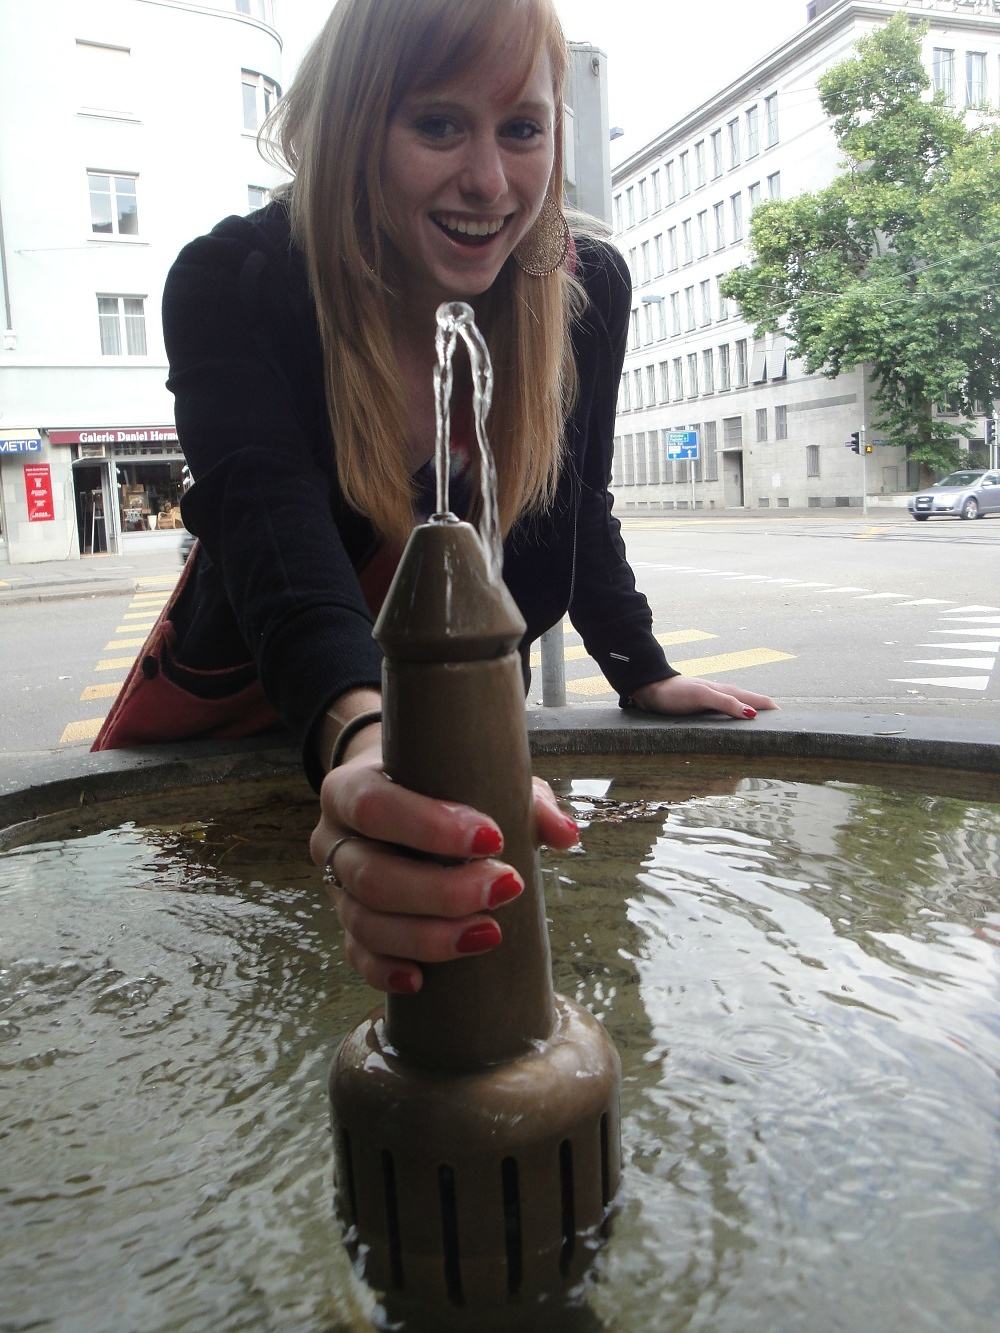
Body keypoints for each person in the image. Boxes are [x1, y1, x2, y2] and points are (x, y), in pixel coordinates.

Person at [94, 0, 775, 995]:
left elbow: (575, 502)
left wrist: (642, 669)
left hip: (430, 722)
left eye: (521, 128)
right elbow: (272, 538)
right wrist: (372, 747)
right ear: (352, 128)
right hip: (243, 721)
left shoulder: (587, 290)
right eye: (438, 124)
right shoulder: (238, 279)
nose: (490, 183)